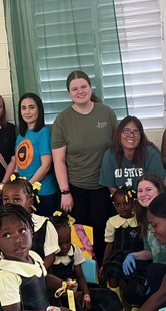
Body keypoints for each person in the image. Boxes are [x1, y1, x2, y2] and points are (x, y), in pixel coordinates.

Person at [52, 70, 118, 262]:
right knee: (80, 235)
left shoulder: (106, 113)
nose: (80, 91)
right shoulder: (62, 120)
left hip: (103, 186)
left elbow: (118, 149)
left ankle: (102, 269)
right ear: (69, 93)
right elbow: (59, 160)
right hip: (76, 188)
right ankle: (85, 272)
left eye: (83, 86)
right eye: (74, 89)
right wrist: (65, 192)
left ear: (90, 88)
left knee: (102, 231)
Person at [123, 174, 166, 306]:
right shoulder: (145, 219)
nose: (143, 194)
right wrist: (133, 255)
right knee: (130, 293)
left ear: (159, 191)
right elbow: (151, 251)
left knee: (154, 270)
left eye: (148, 190)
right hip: (157, 271)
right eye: (140, 191)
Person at [1, 174, 60, 270]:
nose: (10, 204)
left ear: (30, 202)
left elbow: (50, 257)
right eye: (6, 200)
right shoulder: (1, 226)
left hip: (40, 275)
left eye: (16, 200)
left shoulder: (44, 225)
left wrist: (35, 274)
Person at [15, 93, 58, 216]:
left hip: (43, 193)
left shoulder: (44, 133)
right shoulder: (20, 136)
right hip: (25, 194)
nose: (27, 112)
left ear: (39, 110)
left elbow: (46, 165)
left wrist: (27, 187)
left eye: (32, 107)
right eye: (23, 108)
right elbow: (19, 164)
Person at [99, 115, 166, 192]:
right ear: (119, 134)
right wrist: (126, 199)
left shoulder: (151, 153)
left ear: (141, 135)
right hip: (121, 198)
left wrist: (142, 198)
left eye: (136, 132)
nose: (131, 135)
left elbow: (159, 185)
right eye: (126, 131)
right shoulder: (110, 154)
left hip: (148, 198)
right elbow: (111, 187)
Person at [102, 188, 144, 295]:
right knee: (112, 270)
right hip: (118, 254)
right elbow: (109, 244)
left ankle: (135, 299)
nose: (122, 207)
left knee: (137, 272)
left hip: (135, 254)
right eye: (118, 205)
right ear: (114, 205)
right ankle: (116, 298)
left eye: (126, 204)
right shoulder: (112, 222)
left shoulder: (139, 220)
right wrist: (104, 263)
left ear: (133, 203)